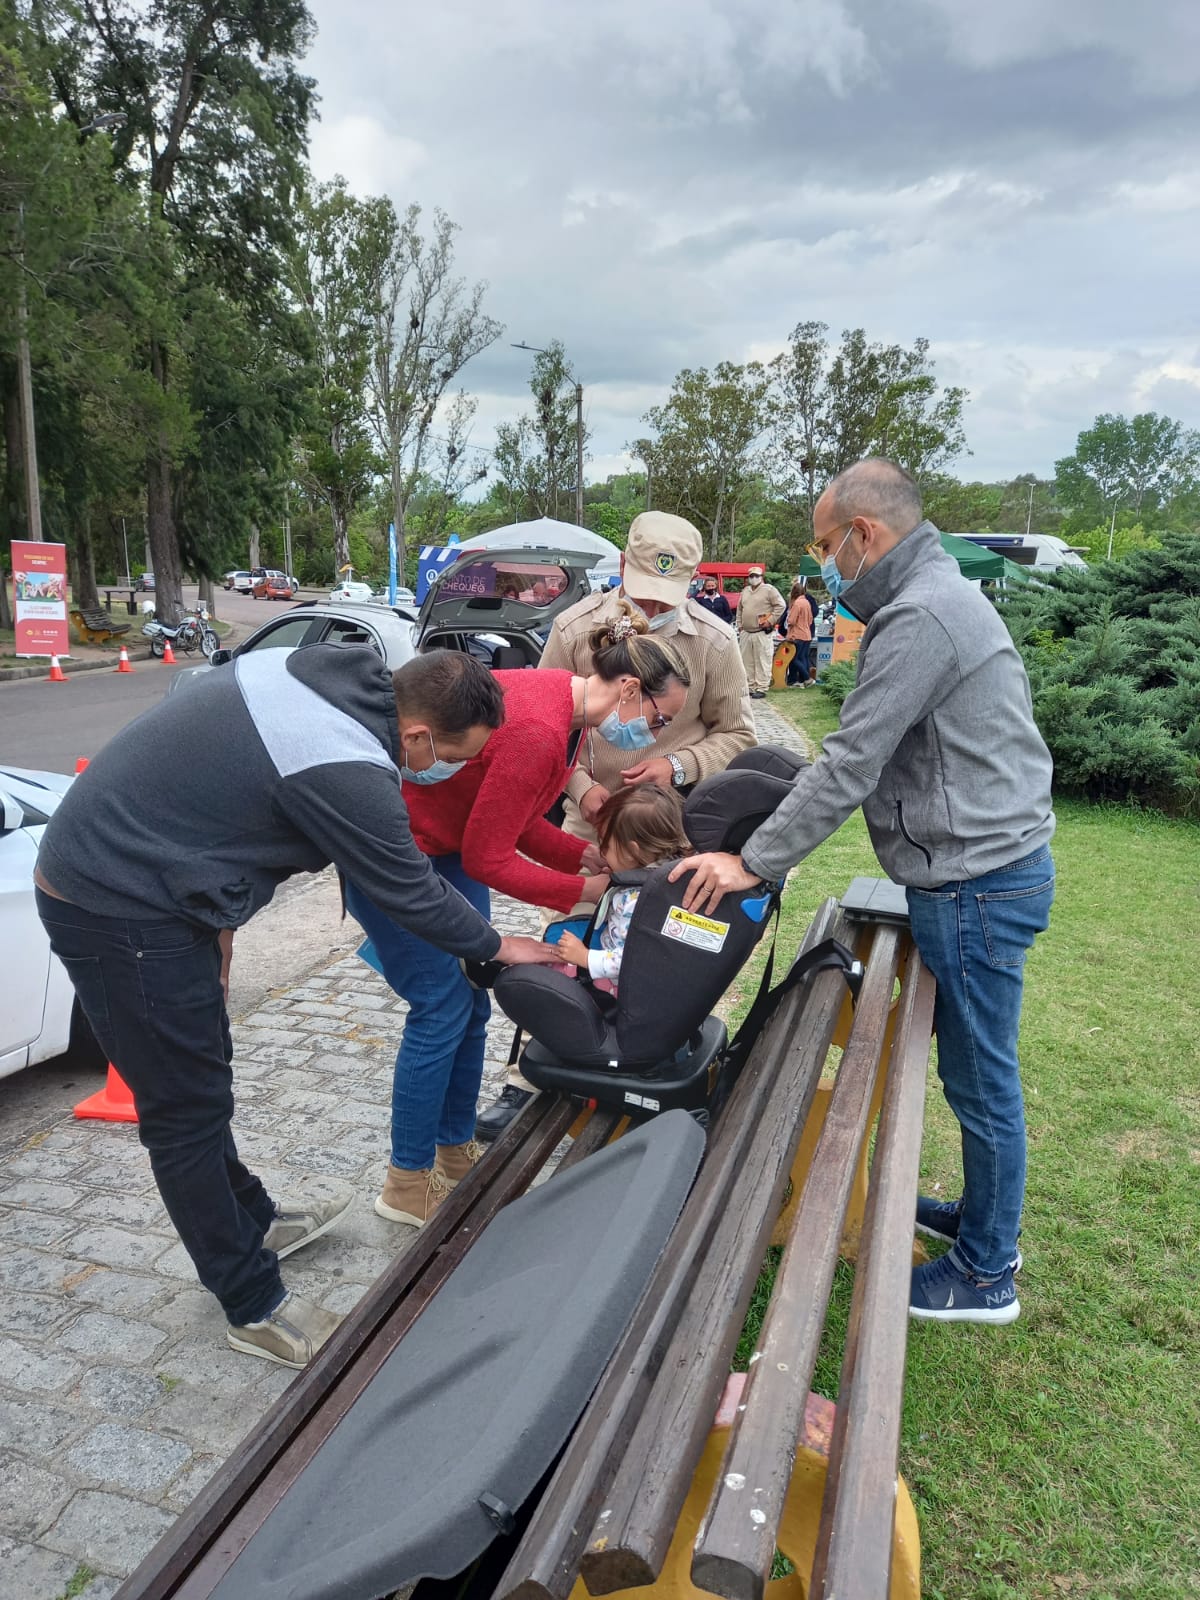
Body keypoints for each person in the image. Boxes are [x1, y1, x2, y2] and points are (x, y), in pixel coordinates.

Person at [34, 647, 560, 1370]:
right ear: (416, 737)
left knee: (203, 1075)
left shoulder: (333, 675)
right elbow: (408, 889)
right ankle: (251, 1301)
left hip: (161, 879)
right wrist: (501, 944)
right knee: (181, 1108)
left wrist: (217, 927)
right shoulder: (345, 763)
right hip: (114, 898)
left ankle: (251, 1217)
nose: (447, 774)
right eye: (453, 759)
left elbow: (216, 797)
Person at [671, 459, 1055, 1326]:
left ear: (864, 534)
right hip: (978, 872)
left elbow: (851, 761)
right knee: (975, 1072)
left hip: (976, 884)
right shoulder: (933, 595)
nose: (826, 562)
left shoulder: (919, 614)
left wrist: (757, 861)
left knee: (981, 1078)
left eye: (825, 543)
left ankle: (988, 1273)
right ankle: (984, 1223)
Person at [344, 605, 692, 1227]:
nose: (657, 733)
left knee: (472, 1000)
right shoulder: (539, 729)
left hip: (442, 852)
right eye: (660, 718)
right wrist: (583, 892)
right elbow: (488, 855)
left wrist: (585, 855)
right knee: (441, 1004)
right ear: (631, 690)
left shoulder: (567, 713)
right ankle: (404, 1181)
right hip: (402, 857)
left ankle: (453, 1151)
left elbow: (517, 819)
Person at [474, 509, 756, 1139]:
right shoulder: (577, 626)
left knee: (657, 937)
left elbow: (739, 733)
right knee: (567, 929)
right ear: (623, 569)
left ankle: (642, 1041)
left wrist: (678, 765)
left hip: (662, 823)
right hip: (587, 811)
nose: (654, 605)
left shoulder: (713, 642)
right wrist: (582, 789)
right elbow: (553, 717)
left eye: (668, 597)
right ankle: (531, 1071)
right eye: (644, 591)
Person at [554, 785, 691, 991]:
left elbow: (629, 959)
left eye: (605, 845)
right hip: (626, 966)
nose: (602, 852)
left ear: (631, 851)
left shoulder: (637, 899)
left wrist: (584, 957)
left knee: (553, 974)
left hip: (618, 986)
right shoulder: (671, 876)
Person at [735, 565, 786, 697]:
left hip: (761, 631)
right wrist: (740, 625)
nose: (754, 578)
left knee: (762, 660)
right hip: (746, 631)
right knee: (747, 661)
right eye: (751, 576)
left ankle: (761, 687)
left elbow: (781, 605)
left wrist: (771, 620)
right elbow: (740, 609)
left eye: (756, 576)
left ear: (761, 577)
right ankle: (750, 686)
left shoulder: (769, 590)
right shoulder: (745, 591)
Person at [784, 579, 815, 687]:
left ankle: (807, 678)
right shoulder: (806, 602)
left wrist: (788, 622)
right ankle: (804, 680)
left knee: (794, 658)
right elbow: (811, 619)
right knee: (803, 657)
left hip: (797, 635)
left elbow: (791, 620)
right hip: (807, 634)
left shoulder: (797, 603)